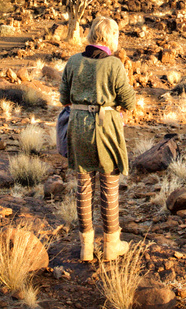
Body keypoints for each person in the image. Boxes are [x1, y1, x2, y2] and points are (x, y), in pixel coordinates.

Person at [59, 17, 137, 262]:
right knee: (109, 187)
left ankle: (86, 248)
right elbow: (130, 102)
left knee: (83, 188)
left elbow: (64, 97)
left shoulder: (73, 61)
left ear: (92, 35)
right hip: (106, 129)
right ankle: (111, 246)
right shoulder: (114, 64)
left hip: (78, 127)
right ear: (111, 36)